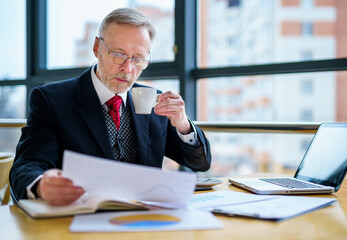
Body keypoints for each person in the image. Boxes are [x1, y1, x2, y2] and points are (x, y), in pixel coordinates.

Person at [10, 8, 211, 206]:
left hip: (146, 221)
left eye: (138, 59)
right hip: (79, 222)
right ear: (97, 47)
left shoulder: (154, 101)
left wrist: (183, 125)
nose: (128, 69)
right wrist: (41, 185)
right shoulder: (51, 100)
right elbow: (25, 166)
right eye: (118, 54)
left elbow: (200, 163)